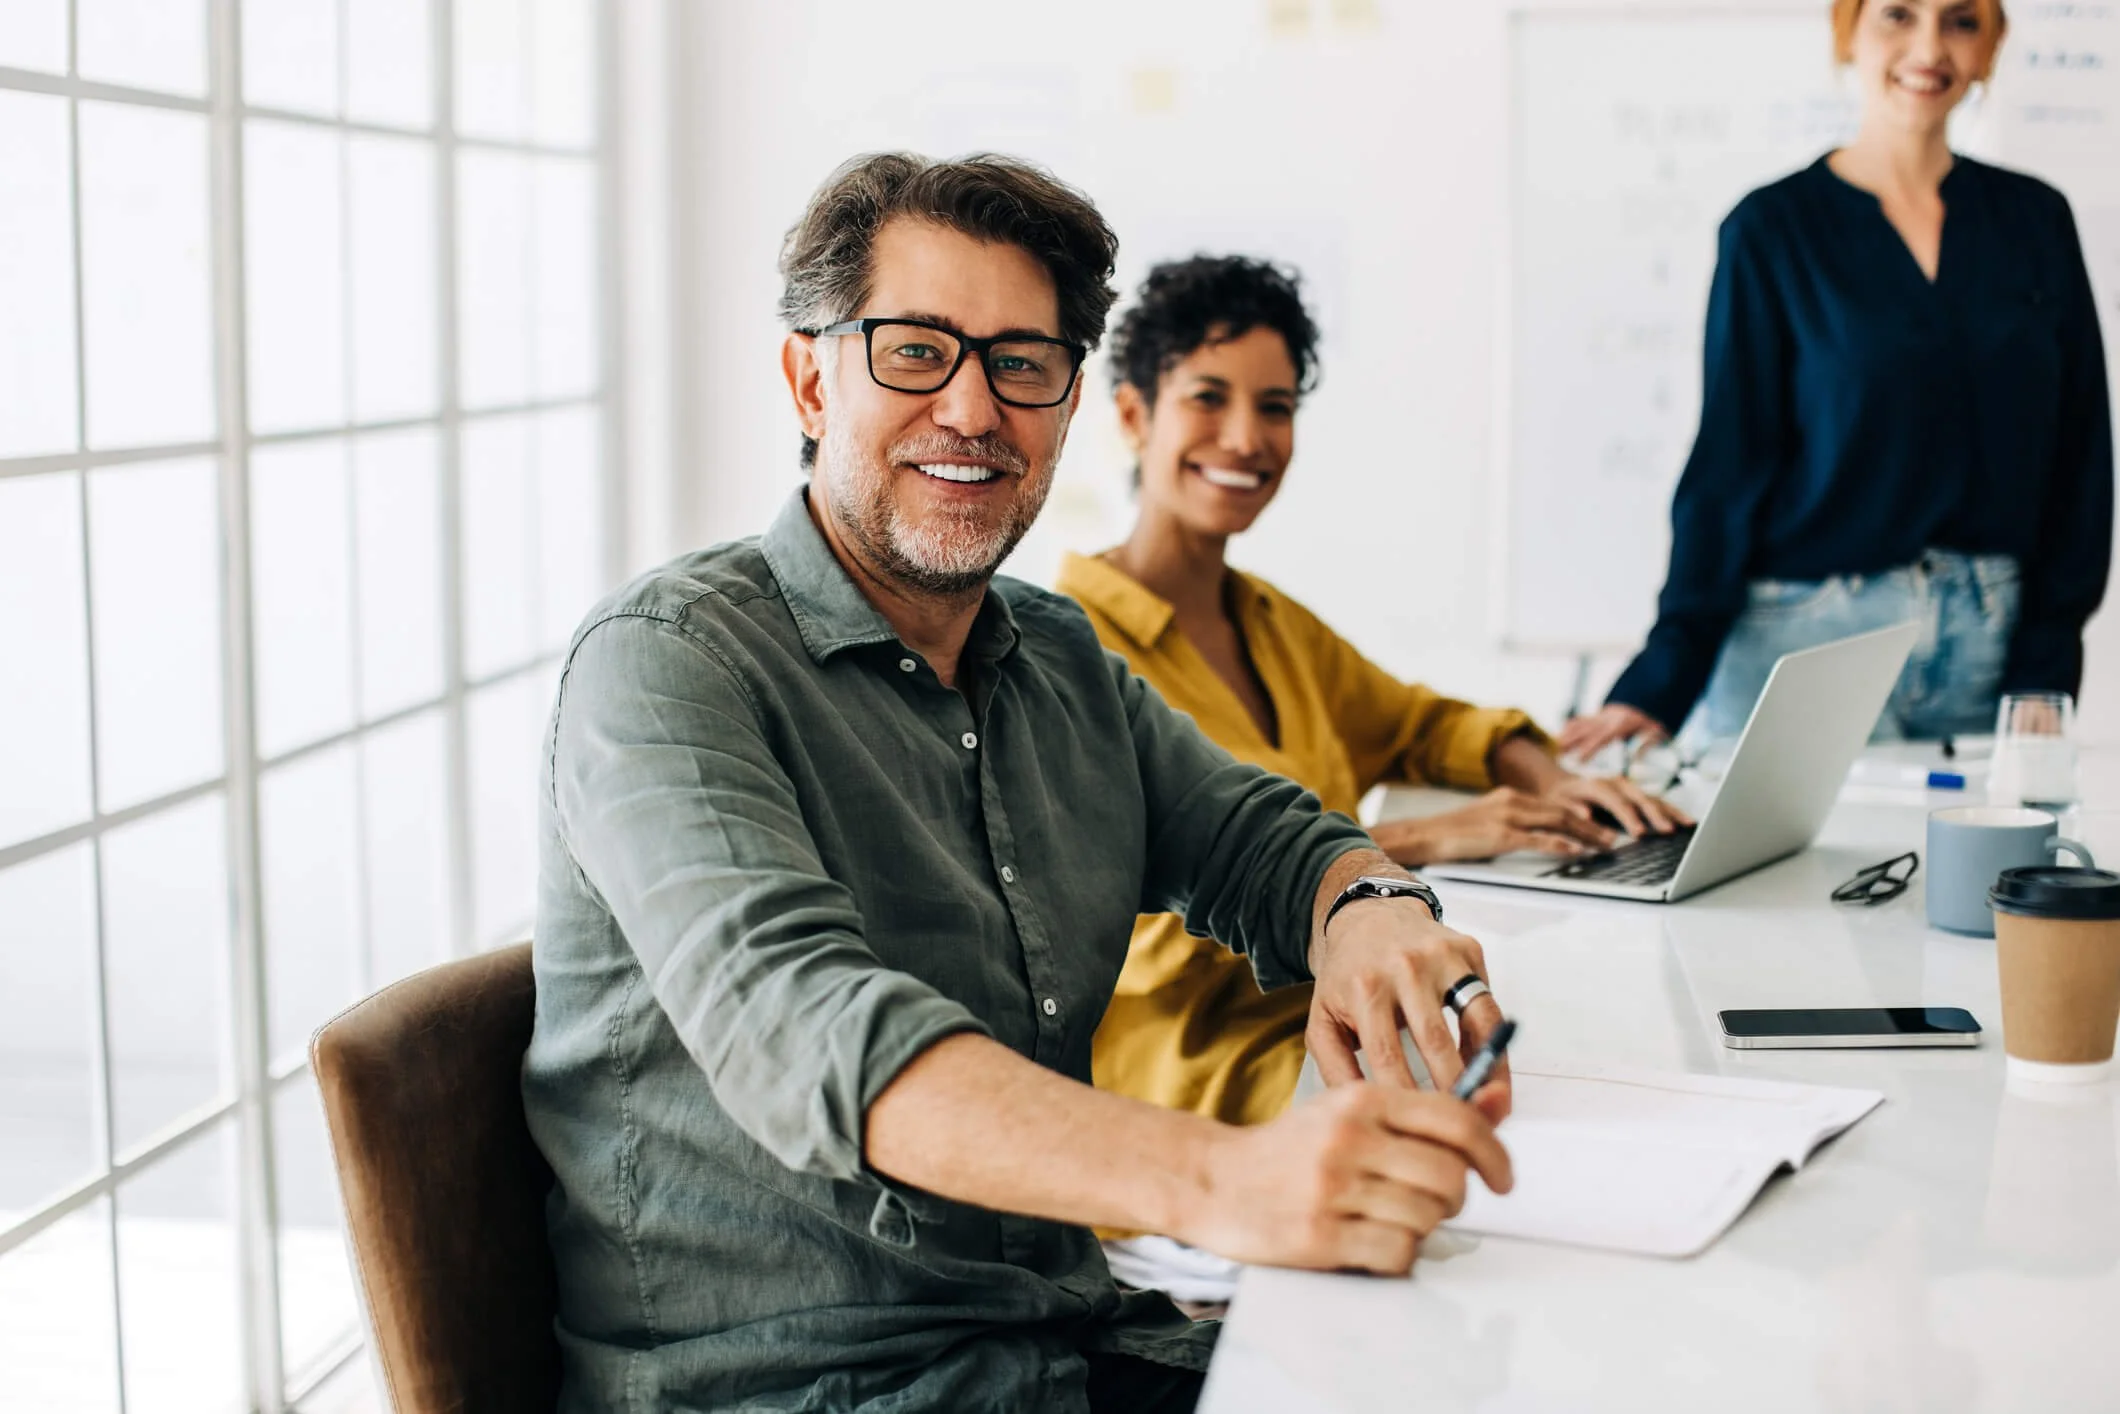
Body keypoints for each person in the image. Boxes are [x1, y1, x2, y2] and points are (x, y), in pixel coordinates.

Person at [523, 153, 1518, 1414]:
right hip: (802, 1390)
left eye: (1020, 362)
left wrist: (1368, 909)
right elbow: (814, 1035)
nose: (973, 408)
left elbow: (1257, 836)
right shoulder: (665, 665)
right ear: (807, 378)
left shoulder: (1054, 653)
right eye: (914, 350)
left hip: (1065, 1346)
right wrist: (1222, 1179)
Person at [1056, 255, 1683, 1142]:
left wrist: (1548, 780)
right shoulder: (1066, 648)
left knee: (1610, 1059)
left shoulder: (1273, 626)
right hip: (1206, 1083)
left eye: (1275, 407)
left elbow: (1431, 725)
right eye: (1208, 397)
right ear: (1131, 414)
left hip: (1355, 1020)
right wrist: (1412, 846)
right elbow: (1137, 926)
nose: (1245, 437)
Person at [1563, 0, 2112, 762]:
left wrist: (2048, 665)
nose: (1929, 47)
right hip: (1803, 636)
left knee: (1972, 881)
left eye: (1961, 21)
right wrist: (1663, 675)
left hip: (1990, 642)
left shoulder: (2037, 221)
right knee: (1785, 883)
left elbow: (2082, 455)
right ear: (1846, 33)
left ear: (1990, 48)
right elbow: (1730, 463)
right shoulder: (1770, 229)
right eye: (1897, 15)